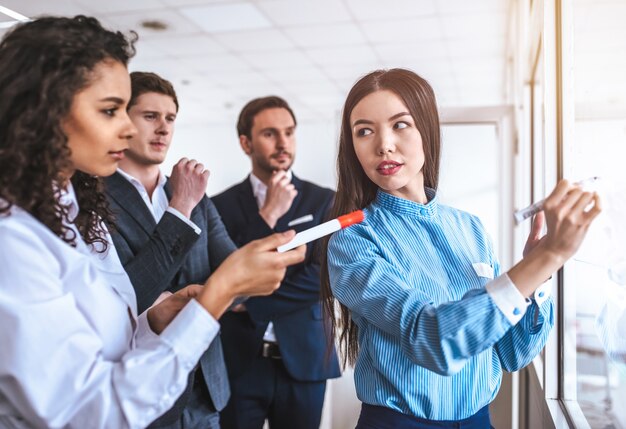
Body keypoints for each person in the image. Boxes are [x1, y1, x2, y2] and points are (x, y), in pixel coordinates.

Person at [0, 15, 305, 429]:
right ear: (43, 112)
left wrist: (157, 319)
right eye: (113, 111)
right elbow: (90, 410)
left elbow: (116, 322)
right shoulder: (16, 237)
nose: (128, 128)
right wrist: (218, 289)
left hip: (198, 387)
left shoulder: (71, 209)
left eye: (170, 118)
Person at [321, 68, 601, 428]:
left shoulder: (470, 227)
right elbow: (432, 338)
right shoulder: (353, 242)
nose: (384, 145)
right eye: (365, 131)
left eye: (400, 125)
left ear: (427, 129)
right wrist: (550, 257)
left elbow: (513, 352)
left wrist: (538, 272)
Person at [104, 71, 236, 428]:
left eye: (170, 118)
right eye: (150, 116)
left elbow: (233, 276)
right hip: (138, 386)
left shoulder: (193, 192)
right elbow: (126, 296)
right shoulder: (93, 196)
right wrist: (181, 206)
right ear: (122, 119)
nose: (163, 128)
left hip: (204, 388)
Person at [212, 96, 341, 429]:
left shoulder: (324, 199)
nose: (283, 142)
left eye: (289, 132)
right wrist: (268, 214)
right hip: (240, 362)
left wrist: (247, 301)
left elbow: (322, 276)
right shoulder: (218, 206)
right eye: (270, 134)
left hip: (304, 358)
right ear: (246, 143)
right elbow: (224, 271)